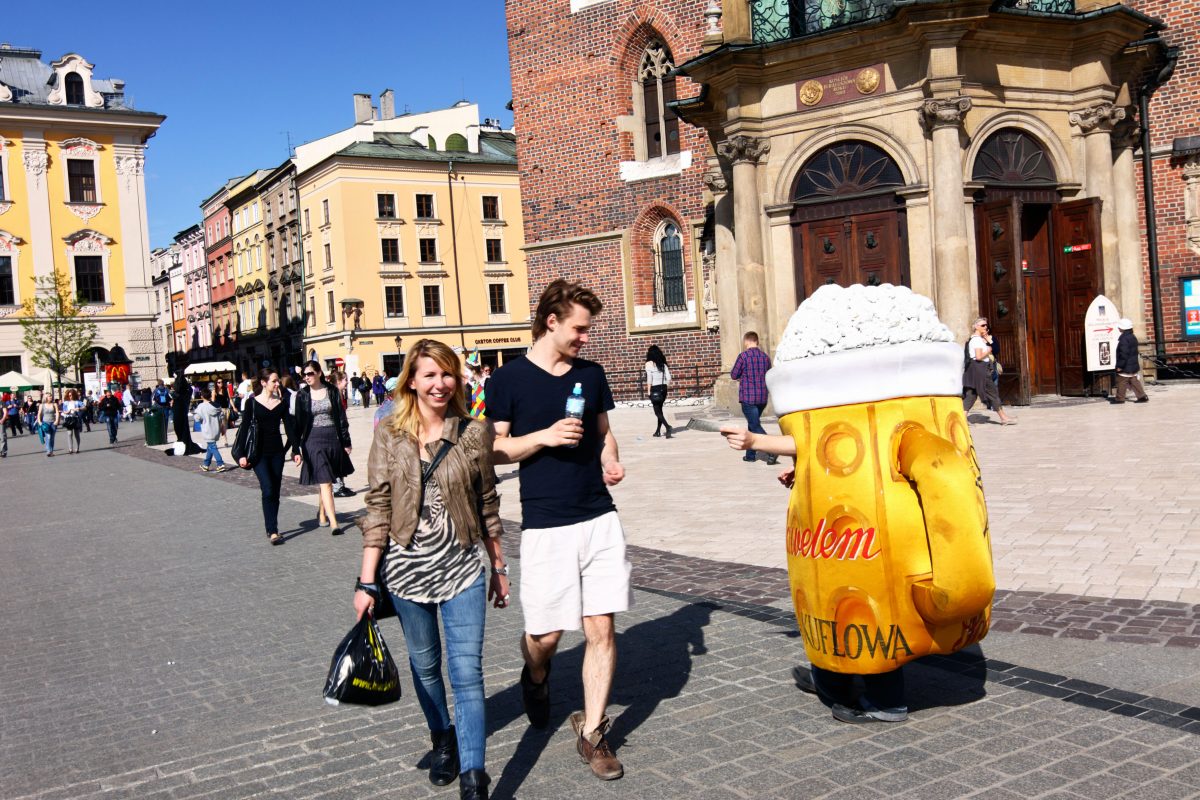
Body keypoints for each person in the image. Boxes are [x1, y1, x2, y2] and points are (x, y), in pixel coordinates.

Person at [488, 278, 629, 781]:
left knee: (600, 627)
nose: (585, 338)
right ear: (552, 321)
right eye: (579, 329)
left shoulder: (591, 376)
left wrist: (612, 461)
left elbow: (605, 435)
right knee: (545, 636)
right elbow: (495, 448)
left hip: (598, 513)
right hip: (546, 522)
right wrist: (544, 437)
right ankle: (536, 672)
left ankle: (593, 733)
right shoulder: (507, 381)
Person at [357, 339, 508, 800]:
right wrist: (366, 581)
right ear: (411, 381)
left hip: (462, 566)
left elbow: (487, 502)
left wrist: (498, 564)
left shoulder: (474, 432)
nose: (440, 383)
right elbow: (378, 507)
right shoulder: (389, 433)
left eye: (447, 374)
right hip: (405, 573)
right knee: (425, 667)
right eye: (430, 375)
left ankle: (474, 779)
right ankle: (442, 737)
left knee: (468, 673)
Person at [235, 368, 298, 546]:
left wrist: (296, 450)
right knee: (268, 488)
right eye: (274, 381)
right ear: (264, 383)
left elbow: (289, 428)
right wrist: (240, 454)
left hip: (277, 452)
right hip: (258, 453)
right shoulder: (252, 403)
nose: (278, 384)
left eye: (278, 381)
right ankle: (272, 530)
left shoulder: (282, 403)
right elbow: (245, 428)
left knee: (276, 491)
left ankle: (273, 526)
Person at [293, 361, 353, 535]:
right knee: (326, 481)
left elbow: (341, 418)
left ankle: (322, 514)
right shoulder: (302, 395)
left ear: (319, 373)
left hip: (332, 438)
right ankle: (334, 523)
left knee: (324, 478)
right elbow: (297, 423)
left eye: (310, 373)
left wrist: (346, 441)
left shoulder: (332, 391)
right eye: (304, 375)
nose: (306, 377)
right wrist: (296, 449)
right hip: (312, 439)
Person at [730, 331, 777, 465]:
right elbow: (768, 374)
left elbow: (734, 375)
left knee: (755, 425)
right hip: (762, 397)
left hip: (748, 396)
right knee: (752, 424)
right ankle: (750, 455)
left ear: (746, 341)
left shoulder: (743, 356)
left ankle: (772, 449)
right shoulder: (765, 357)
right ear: (757, 341)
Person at [962, 317, 1015, 424]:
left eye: (986, 325)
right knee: (992, 393)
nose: (985, 327)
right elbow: (978, 356)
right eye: (983, 325)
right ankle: (1004, 418)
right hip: (980, 369)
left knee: (971, 395)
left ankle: (961, 419)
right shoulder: (976, 340)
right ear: (976, 327)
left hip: (975, 369)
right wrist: (988, 350)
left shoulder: (975, 339)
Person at [331, 370, 355, 498]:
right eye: (345, 380)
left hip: (338, 433)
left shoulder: (338, 393)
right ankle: (337, 487)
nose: (347, 382)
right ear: (339, 381)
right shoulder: (335, 394)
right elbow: (340, 419)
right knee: (338, 460)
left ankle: (340, 485)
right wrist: (346, 440)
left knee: (341, 460)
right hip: (337, 434)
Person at [193, 388, 230, 473]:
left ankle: (220, 464)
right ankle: (206, 465)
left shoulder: (201, 406)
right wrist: (223, 427)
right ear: (210, 396)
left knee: (212, 446)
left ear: (202, 396)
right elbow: (222, 417)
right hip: (216, 429)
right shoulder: (216, 405)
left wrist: (196, 415)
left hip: (207, 430)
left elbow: (198, 418)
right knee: (210, 447)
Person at [1113, 318, 1149, 404]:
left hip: (1126, 365)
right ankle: (1142, 396)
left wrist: (1120, 366)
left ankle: (1120, 398)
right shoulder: (1132, 337)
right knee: (1134, 380)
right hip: (1132, 365)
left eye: (1119, 326)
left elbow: (1123, 354)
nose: (1118, 328)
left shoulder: (1124, 339)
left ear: (1123, 328)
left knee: (1122, 381)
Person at [644, 344, 672, 438]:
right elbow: (669, 378)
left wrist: (648, 391)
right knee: (660, 410)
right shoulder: (663, 364)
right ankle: (658, 431)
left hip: (655, 389)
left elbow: (649, 379)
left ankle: (668, 427)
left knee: (657, 412)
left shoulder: (649, 364)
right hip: (663, 389)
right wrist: (664, 387)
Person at [172, 373, 203, 453]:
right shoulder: (183, 388)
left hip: (180, 408)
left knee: (180, 425)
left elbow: (185, 391)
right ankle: (181, 439)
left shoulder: (182, 387)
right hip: (181, 408)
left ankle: (182, 440)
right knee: (179, 425)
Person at [60, 389, 84, 454]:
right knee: (69, 434)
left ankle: (77, 447)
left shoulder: (77, 402)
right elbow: (63, 411)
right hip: (69, 418)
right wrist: (67, 412)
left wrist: (79, 408)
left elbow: (84, 407)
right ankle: (70, 448)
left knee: (77, 434)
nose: (71, 396)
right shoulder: (65, 402)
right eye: (69, 395)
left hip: (76, 418)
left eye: (72, 395)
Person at [213, 378, 232, 445]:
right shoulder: (214, 391)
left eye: (221, 382)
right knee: (221, 426)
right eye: (219, 382)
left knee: (225, 426)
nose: (220, 383)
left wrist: (234, 407)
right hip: (219, 410)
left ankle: (224, 438)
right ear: (216, 383)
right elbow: (213, 402)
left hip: (226, 409)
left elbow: (230, 399)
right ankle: (225, 440)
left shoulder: (226, 389)